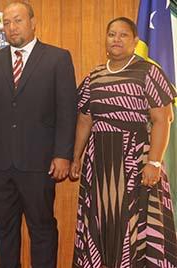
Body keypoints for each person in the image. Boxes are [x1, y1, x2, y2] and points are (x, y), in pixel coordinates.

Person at [0, 2, 77, 267]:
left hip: (39, 165)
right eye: (6, 23)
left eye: (17, 21)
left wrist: (63, 155)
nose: (11, 27)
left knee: (42, 229)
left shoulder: (58, 58)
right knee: (4, 231)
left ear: (32, 22)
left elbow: (67, 112)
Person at [70, 17, 177, 267]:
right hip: (99, 164)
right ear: (105, 40)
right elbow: (85, 120)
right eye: (112, 34)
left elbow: (164, 119)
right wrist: (76, 156)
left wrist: (154, 162)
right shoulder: (94, 76)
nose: (116, 40)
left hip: (136, 161)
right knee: (101, 219)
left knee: (134, 223)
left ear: (135, 41)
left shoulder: (149, 72)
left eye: (123, 35)